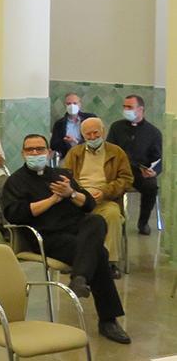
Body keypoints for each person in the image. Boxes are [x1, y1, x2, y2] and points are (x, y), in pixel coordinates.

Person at [2, 134, 130, 344]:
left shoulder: (61, 175)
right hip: (47, 237)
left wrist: (70, 193)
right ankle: (108, 320)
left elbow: (88, 204)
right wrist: (53, 199)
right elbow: (15, 214)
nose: (35, 153)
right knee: (99, 253)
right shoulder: (15, 181)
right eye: (30, 150)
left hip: (77, 230)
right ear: (23, 153)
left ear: (49, 152)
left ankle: (79, 277)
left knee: (97, 220)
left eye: (40, 149)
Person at [61, 118, 132, 278]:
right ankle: (75, 259)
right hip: (78, 199)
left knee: (113, 215)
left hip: (105, 199)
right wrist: (78, 193)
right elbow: (65, 176)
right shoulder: (75, 153)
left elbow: (126, 179)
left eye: (96, 133)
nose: (92, 137)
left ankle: (110, 262)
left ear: (103, 132)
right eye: (88, 134)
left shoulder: (117, 153)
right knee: (65, 214)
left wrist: (105, 191)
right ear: (82, 135)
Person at [107, 94, 163, 235]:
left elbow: (158, 159)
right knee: (109, 185)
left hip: (139, 171)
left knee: (151, 186)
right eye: (124, 107)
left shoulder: (153, 132)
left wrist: (153, 171)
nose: (126, 110)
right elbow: (109, 150)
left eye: (130, 107)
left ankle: (143, 223)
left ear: (140, 109)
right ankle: (115, 219)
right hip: (118, 170)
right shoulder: (116, 127)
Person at [50, 93, 96, 160]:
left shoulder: (90, 119)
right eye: (68, 104)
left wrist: (76, 142)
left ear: (80, 104)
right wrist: (66, 143)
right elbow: (54, 145)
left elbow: (96, 140)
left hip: (89, 157)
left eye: (75, 103)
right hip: (68, 158)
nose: (72, 106)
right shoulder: (59, 124)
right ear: (65, 105)